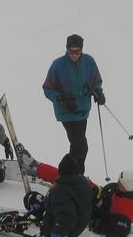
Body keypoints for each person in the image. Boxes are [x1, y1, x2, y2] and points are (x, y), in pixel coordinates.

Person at [16, 143, 133, 237]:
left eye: (121, 184)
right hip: (97, 194)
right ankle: (36, 168)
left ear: (128, 189)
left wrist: (95, 224)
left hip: (89, 207)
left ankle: (43, 203)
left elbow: (120, 231)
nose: (117, 183)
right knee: (71, 176)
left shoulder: (123, 213)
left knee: (65, 193)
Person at [0, 153, 93, 237]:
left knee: (14, 223)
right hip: (72, 226)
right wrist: (43, 205)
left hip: (53, 233)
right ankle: (37, 215)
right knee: (31, 198)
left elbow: (65, 219)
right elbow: (66, 206)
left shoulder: (61, 191)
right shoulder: (82, 183)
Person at [42, 34, 105, 173]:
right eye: (71, 52)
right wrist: (61, 99)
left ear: (82, 49)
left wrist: (98, 93)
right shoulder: (58, 65)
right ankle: (77, 176)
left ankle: (69, 175)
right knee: (81, 146)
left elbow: (96, 80)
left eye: (77, 51)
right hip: (67, 112)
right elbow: (47, 88)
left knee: (77, 146)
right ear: (66, 49)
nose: (74, 55)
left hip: (83, 111)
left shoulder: (89, 61)